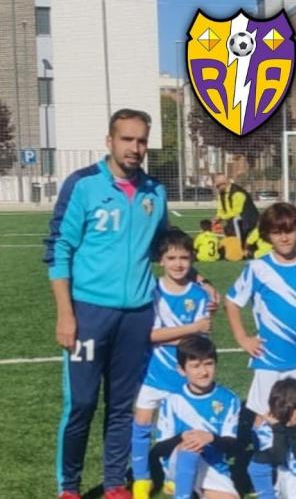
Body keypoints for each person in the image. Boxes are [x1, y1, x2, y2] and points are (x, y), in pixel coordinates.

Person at [43, 108, 169, 499]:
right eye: (127, 139)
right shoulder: (82, 185)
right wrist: (66, 314)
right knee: (81, 403)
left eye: (141, 140)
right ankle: (69, 487)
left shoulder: (155, 192)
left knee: (121, 405)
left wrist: (197, 279)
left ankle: (115, 483)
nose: (135, 148)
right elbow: (59, 248)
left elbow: (163, 247)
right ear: (109, 141)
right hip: (89, 313)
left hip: (137, 315)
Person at [225, 202, 296, 423]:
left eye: (289, 231)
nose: (284, 238)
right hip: (269, 357)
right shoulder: (257, 268)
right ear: (267, 235)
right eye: (277, 232)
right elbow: (232, 302)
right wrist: (243, 338)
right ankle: (261, 447)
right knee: (265, 416)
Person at [130, 229, 212, 499]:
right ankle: (141, 479)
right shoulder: (151, 291)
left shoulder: (199, 295)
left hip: (182, 378)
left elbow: (198, 342)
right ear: (161, 260)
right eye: (172, 257)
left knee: (180, 430)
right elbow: (149, 335)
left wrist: (174, 336)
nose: (178, 264)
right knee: (142, 423)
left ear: (192, 260)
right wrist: (190, 329)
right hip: (152, 373)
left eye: (184, 258)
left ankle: (172, 475)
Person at [156, 336, 240, 499]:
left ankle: (195, 491)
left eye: (209, 364)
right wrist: (182, 438)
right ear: (182, 370)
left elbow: (231, 446)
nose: (203, 372)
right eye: (195, 366)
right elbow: (159, 450)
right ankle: (182, 493)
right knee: (190, 446)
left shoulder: (229, 399)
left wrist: (211, 438)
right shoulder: (172, 401)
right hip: (178, 465)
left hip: (213, 468)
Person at [248, 378, 296, 499]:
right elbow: (278, 458)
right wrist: (278, 429)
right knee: (257, 464)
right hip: (280, 478)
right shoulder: (266, 427)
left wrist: (293, 431)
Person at [213, 173, 259, 250]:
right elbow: (221, 209)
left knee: (235, 221)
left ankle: (239, 247)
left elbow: (236, 211)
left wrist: (222, 217)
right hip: (235, 218)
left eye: (219, 185)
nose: (218, 187)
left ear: (226, 183)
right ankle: (234, 247)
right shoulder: (221, 193)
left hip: (248, 218)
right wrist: (217, 217)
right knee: (228, 228)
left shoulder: (237, 193)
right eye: (217, 186)